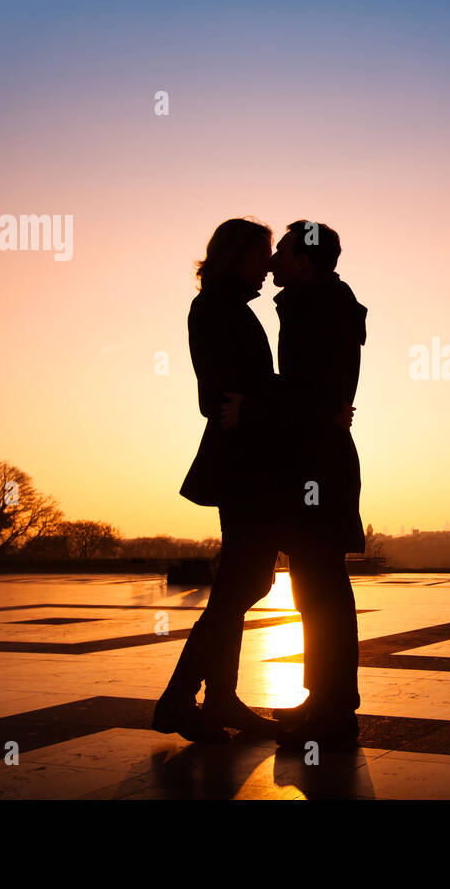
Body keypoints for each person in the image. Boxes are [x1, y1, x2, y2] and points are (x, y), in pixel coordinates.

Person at [153, 218, 283, 744]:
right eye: (261, 255)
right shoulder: (219, 310)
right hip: (245, 462)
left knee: (242, 583)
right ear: (237, 258)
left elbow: (235, 391)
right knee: (242, 583)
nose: (268, 265)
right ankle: (190, 699)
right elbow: (218, 396)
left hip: (245, 459)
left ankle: (206, 700)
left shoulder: (221, 306)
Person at [255, 220, 367, 750]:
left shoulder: (317, 309)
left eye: (281, 251)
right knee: (316, 586)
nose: (273, 260)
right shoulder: (321, 305)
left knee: (319, 587)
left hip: (316, 465)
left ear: (303, 260)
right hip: (318, 460)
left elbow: (311, 393)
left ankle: (332, 707)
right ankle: (326, 700)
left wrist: (256, 403)